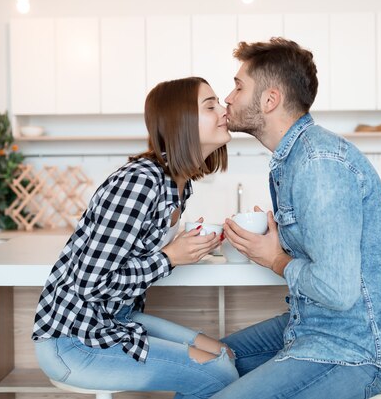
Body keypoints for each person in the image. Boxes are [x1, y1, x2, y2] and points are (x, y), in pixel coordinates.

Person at [215, 38, 381, 398]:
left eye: (238, 86)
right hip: (311, 326)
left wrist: (275, 258)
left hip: (357, 348)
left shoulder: (318, 164)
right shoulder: (294, 159)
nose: (228, 98)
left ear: (269, 99)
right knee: (201, 371)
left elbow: (337, 291)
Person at [32, 77, 238, 398]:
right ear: (179, 121)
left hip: (117, 320)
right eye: (210, 106)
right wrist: (170, 258)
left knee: (224, 353)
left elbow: (133, 250)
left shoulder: (178, 184)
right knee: (216, 373)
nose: (224, 110)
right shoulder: (140, 182)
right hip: (75, 338)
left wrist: (182, 245)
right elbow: (91, 284)